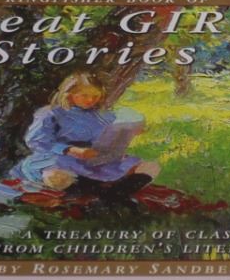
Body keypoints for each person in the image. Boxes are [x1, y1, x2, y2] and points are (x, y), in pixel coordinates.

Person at [12, 74, 159, 193]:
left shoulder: (102, 115)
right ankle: (95, 189)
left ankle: (112, 190)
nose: (90, 100)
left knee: (150, 167)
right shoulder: (51, 113)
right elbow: (36, 141)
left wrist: (133, 129)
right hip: (57, 159)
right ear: (69, 94)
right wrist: (70, 150)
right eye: (84, 95)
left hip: (93, 161)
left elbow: (114, 132)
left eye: (95, 96)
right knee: (57, 177)